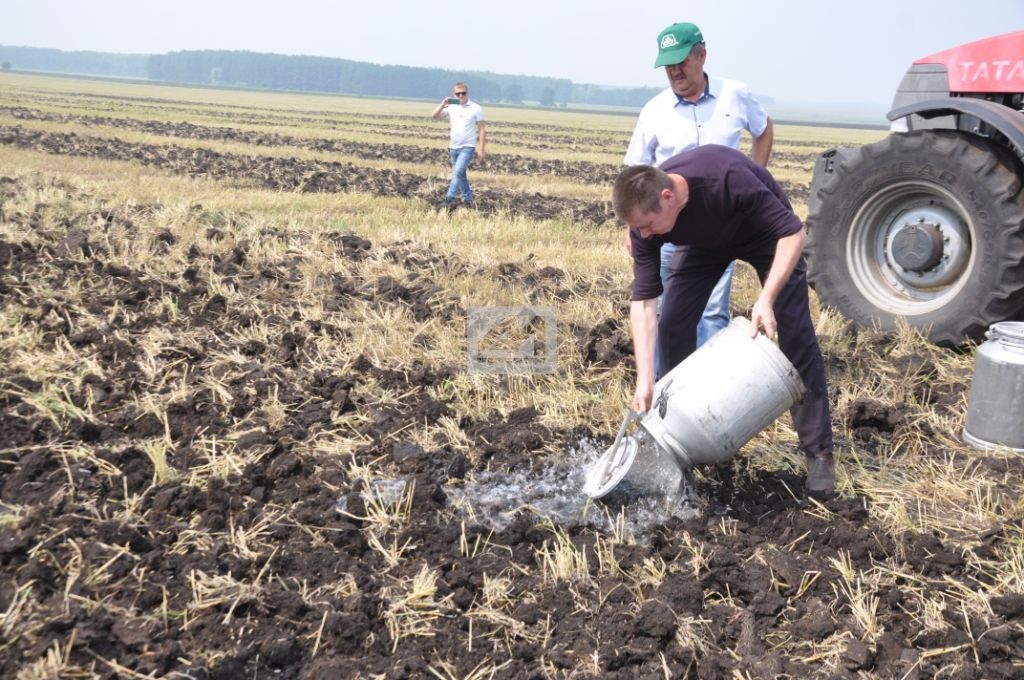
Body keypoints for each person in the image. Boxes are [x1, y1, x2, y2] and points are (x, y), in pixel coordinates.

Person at [612, 145, 835, 499]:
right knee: (673, 323)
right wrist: (645, 380)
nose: (647, 235)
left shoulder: (725, 179)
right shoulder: (645, 227)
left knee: (796, 335)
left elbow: (793, 234)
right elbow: (642, 303)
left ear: (668, 197)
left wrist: (766, 299)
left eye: (649, 225)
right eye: (639, 229)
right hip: (704, 244)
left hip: (766, 236)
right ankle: (676, 440)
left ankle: (819, 454)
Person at [625, 22, 774, 358]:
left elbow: (763, 130)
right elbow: (635, 173)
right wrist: (633, 228)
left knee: (711, 313)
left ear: (702, 55)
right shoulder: (654, 110)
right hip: (667, 228)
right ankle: (667, 393)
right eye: (668, 65)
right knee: (665, 313)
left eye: (681, 61)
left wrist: (755, 177)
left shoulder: (734, 94)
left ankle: (713, 396)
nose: (675, 71)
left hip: (718, 228)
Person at [431, 82, 486, 211]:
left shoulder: (476, 108)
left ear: (467, 93)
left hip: (468, 146)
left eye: (463, 93)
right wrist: (442, 105)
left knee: (457, 172)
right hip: (453, 147)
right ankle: (468, 200)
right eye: (458, 93)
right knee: (460, 175)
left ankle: (449, 199)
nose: (461, 95)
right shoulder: (451, 106)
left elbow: (482, 129)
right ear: (454, 94)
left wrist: (481, 149)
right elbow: (434, 116)